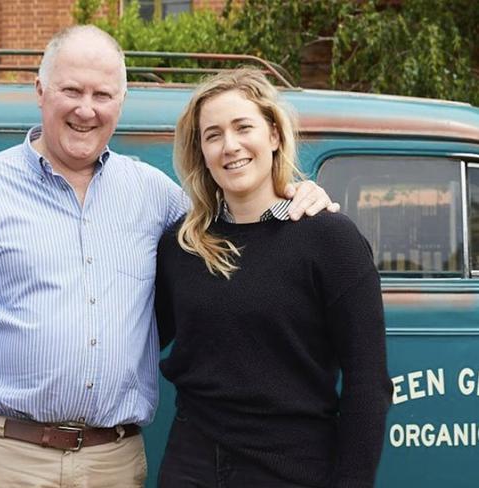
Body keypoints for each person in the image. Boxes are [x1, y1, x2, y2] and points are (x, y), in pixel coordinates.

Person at [0, 26, 338, 488]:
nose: (86, 109)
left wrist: (295, 194)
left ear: (120, 102)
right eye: (71, 90)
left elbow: (237, 219)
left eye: (102, 94)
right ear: (40, 92)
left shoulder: (153, 194)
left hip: (114, 461)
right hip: (7, 458)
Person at [155, 68, 393, 488]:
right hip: (190, 466)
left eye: (243, 127)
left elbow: (368, 383)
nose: (230, 146)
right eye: (213, 135)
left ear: (274, 136)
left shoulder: (330, 239)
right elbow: (135, 335)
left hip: (293, 468)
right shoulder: (181, 247)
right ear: (202, 152)